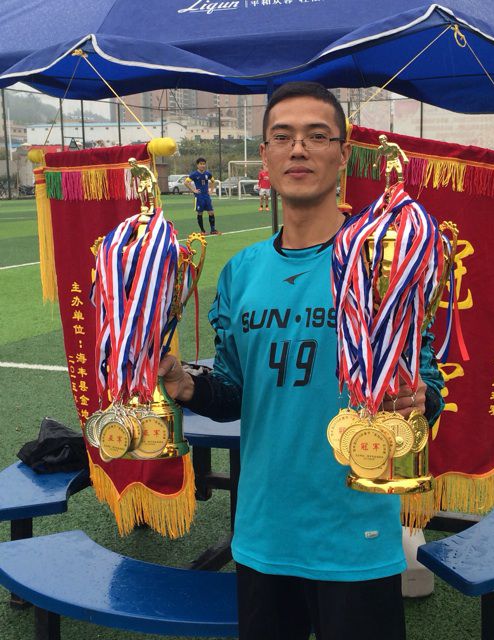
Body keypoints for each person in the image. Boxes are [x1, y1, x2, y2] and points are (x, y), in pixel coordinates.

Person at [158, 82, 444, 640]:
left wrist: (418, 400)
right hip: (263, 533)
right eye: (283, 137)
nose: (298, 149)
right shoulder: (241, 272)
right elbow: (235, 392)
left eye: (317, 136)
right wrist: (186, 385)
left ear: (343, 153)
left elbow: (428, 384)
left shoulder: (384, 259)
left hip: (356, 537)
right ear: (264, 156)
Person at [185, 157, 221, 235]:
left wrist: (211, 190)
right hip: (199, 196)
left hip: (206, 196)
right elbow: (186, 182)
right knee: (200, 213)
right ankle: (202, 231)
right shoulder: (194, 174)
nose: (202, 165)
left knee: (211, 212)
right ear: (197, 165)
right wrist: (193, 190)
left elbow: (213, 181)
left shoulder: (207, 174)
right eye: (201, 164)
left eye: (204, 164)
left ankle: (213, 230)